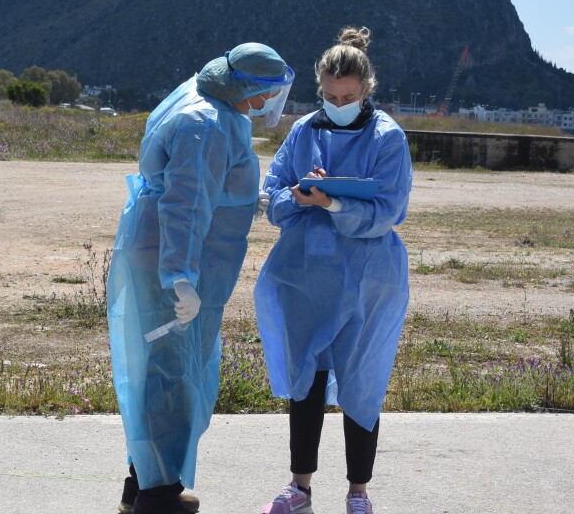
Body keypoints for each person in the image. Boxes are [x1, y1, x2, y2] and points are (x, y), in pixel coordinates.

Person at [107, 43, 295, 514]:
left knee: (162, 363)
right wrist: (181, 279)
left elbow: (205, 191)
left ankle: (143, 479)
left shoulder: (207, 98)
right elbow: (185, 207)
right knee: (171, 370)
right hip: (175, 263)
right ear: (248, 88)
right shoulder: (206, 124)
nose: (270, 103)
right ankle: (159, 492)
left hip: (173, 256)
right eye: (268, 92)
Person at [254, 27, 412, 514]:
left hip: (369, 277)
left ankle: (358, 493)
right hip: (307, 274)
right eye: (328, 95)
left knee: (362, 380)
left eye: (347, 96)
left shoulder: (387, 138)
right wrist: (301, 197)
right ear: (319, 90)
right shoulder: (305, 131)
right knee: (307, 378)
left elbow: (389, 209)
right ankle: (299, 487)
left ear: (366, 90)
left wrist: (336, 202)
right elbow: (272, 193)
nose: (337, 102)